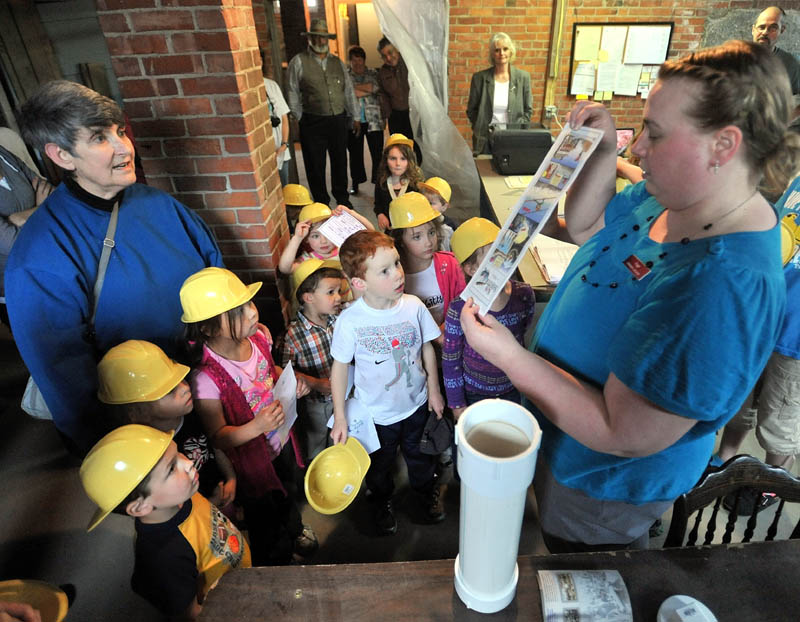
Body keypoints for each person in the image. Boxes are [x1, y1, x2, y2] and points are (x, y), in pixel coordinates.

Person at [459, 40, 797, 553]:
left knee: (580, 562)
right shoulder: (679, 195)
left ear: (722, 146)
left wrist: (508, 356)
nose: (637, 148)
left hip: (601, 480)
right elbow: (589, 225)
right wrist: (599, 148)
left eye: (654, 134)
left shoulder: (719, 287)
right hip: (563, 438)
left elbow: (622, 431)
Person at [5, 80, 223, 455]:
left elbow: (217, 278)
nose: (125, 147)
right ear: (62, 156)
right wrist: (117, 452)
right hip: (146, 419)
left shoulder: (160, 204)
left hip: (213, 385)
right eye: (99, 138)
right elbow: (63, 377)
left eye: (120, 131)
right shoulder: (39, 255)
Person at [180, 267, 317, 566]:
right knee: (263, 514)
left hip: (280, 440)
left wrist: (290, 382)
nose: (252, 314)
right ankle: (277, 559)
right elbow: (218, 436)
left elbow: (270, 371)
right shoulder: (206, 379)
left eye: (248, 304)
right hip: (251, 461)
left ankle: (293, 529)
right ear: (208, 328)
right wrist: (257, 426)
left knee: (288, 488)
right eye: (237, 312)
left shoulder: (259, 338)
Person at [330, 230, 445, 535]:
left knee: (421, 456)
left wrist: (433, 390)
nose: (397, 273)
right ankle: (381, 501)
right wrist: (340, 417)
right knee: (379, 466)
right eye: (384, 270)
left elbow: (426, 347)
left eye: (396, 263)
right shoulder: (351, 320)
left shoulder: (413, 307)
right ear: (358, 283)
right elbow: (340, 368)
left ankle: (424, 494)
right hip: (374, 414)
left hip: (416, 404)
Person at [79, 424, 251, 620]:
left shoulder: (180, 495)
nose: (188, 463)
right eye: (171, 469)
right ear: (140, 507)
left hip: (240, 578)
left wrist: (213, 504)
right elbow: (192, 614)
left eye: (178, 453)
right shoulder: (164, 558)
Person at [717, 173, 800, 515]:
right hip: (764, 313)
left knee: (780, 418)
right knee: (741, 400)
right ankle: (726, 460)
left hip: (795, 337)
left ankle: (772, 484)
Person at [96, 340, 237, 511]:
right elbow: (164, 505)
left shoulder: (192, 413)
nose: (185, 388)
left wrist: (231, 477)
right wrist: (208, 506)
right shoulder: (150, 454)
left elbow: (215, 444)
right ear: (138, 411)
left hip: (219, 487)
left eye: (180, 379)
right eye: (169, 390)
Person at [443, 218, 534, 418]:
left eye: (505, 251)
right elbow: (451, 361)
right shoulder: (459, 308)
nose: (504, 262)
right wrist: (457, 405)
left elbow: (524, 328)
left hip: (512, 387)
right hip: (474, 393)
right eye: (494, 257)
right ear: (471, 269)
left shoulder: (524, 294)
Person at [287, 18, 360, 207]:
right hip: (312, 121)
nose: (321, 41)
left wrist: (355, 116)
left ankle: (342, 198)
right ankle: (321, 201)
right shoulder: (299, 61)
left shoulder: (338, 62)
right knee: (314, 164)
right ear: (311, 38)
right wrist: (300, 116)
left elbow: (348, 91)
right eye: (317, 37)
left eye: (324, 37)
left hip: (338, 119)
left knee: (339, 161)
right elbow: (292, 91)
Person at [278, 259, 344, 460]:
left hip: (345, 396)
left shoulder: (339, 319)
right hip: (316, 405)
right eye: (330, 292)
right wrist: (316, 383)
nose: (338, 297)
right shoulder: (293, 335)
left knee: (341, 442)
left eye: (339, 291)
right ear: (309, 297)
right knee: (316, 446)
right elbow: (286, 374)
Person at [388, 192, 465, 337]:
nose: (428, 242)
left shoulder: (450, 264)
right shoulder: (393, 274)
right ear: (400, 241)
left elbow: (463, 303)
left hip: (448, 339)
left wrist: (444, 330)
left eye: (431, 232)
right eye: (417, 237)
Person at [0, 143, 53, 302]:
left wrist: (19, 218)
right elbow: (15, 245)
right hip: (18, 282)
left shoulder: (2, 153)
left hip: (52, 256)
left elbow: (53, 193)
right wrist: (41, 208)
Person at [467, 33, 532, 154]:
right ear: (492, 53)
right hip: (485, 141)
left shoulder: (523, 78)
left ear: (511, 51)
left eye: (505, 49)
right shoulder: (479, 78)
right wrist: (479, 126)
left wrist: (520, 132)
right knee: (485, 171)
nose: (501, 53)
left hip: (513, 139)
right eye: (497, 50)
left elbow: (528, 110)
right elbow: (471, 110)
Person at [278, 201, 374, 275]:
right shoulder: (308, 260)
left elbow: (370, 234)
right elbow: (285, 269)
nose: (323, 241)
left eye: (327, 233)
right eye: (315, 236)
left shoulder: (344, 248)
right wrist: (297, 238)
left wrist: (350, 214)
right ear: (306, 239)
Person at [377, 37, 422, 164]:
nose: (389, 58)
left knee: (417, 147)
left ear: (396, 49)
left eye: (390, 52)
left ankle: (417, 173)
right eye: (384, 56)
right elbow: (383, 94)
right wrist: (387, 116)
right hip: (396, 116)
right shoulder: (382, 73)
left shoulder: (410, 62)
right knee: (400, 148)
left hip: (414, 114)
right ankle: (405, 175)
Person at [347, 46, 384, 196]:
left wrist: (355, 91)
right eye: (354, 61)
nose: (357, 64)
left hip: (374, 120)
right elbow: (348, 93)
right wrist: (365, 90)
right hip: (354, 121)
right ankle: (355, 183)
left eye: (360, 60)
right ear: (350, 61)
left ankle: (378, 184)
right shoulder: (346, 75)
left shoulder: (373, 73)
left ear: (364, 60)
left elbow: (374, 87)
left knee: (377, 154)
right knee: (355, 154)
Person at [374, 133, 423, 231]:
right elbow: (378, 203)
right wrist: (380, 214)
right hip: (391, 231)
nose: (398, 164)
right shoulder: (382, 181)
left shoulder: (415, 183)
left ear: (409, 161)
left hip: (412, 231)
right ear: (386, 160)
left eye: (403, 159)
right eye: (393, 158)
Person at [752, 6, 800, 96]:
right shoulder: (735, 59)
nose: (765, 32)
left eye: (773, 28)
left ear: (782, 30)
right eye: (761, 27)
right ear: (753, 30)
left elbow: (795, 103)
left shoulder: (792, 64)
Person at [262, 70, 292, 186]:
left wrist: (284, 144)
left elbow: (284, 117)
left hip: (280, 151)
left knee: (284, 190)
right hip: (263, 154)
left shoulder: (271, 85)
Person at [418, 176, 456, 251]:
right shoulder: (418, 221)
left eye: (431, 203)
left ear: (444, 206)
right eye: (424, 201)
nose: (426, 205)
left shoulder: (449, 227)